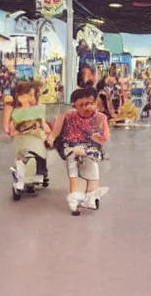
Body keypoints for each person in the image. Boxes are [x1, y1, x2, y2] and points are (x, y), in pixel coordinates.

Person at [47, 87, 111, 215]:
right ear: (74, 105)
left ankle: (90, 195)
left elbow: (105, 136)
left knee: (92, 170)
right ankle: (76, 197)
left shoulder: (100, 118)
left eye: (90, 103)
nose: (86, 108)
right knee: (73, 171)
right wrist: (51, 139)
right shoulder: (66, 117)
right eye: (81, 105)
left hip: (91, 148)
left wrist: (98, 138)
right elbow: (55, 132)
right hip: (70, 147)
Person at [4, 81, 50, 193]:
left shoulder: (38, 109)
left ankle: (38, 174)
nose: (28, 98)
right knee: (21, 158)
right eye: (24, 95)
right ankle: (25, 177)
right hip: (21, 139)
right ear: (17, 96)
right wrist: (10, 129)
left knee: (37, 155)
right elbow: (8, 127)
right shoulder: (13, 109)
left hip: (36, 138)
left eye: (31, 95)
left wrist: (48, 132)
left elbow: (44, 124)